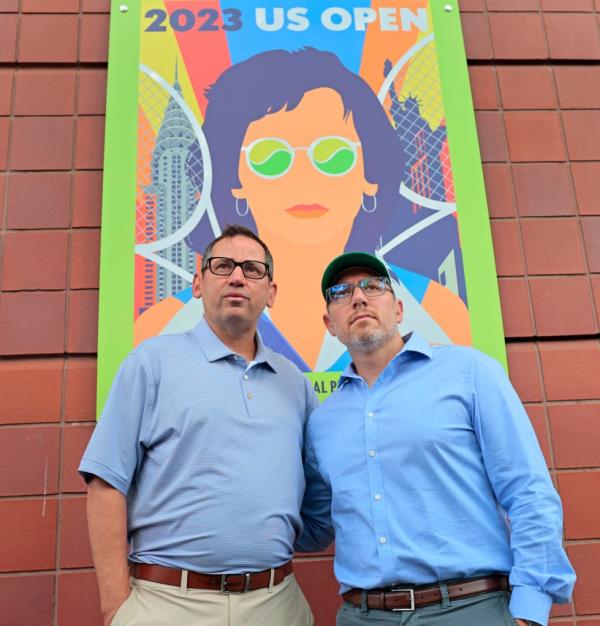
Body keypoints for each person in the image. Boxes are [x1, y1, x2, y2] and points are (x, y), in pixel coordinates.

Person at [139, 47, 471, 370]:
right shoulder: (165, 326)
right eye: (271, 157)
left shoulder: (438, 312)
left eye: (333, 154)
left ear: (370, 173)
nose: (304, 179)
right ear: (234, 179)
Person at [296, 251, 576, 626]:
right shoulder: (323, 422)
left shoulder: (470, 373)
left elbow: (528, 491)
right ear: (330, 324)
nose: (358, 297)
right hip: (364, 615)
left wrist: (530, 608)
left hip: (471, 607)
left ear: (397, 309)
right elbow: (314, 527)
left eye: (372, 286)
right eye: (341, 292)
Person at [79, 225, 318, 626]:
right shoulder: (150, 363)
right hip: (169, 604)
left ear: (271, 293)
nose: (237, 276)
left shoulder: (295, 382)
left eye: (253, 269)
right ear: (197, 283)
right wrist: (116, 607)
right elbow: (105, 482)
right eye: (222, 265)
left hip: (277, 603)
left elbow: (315, 490)